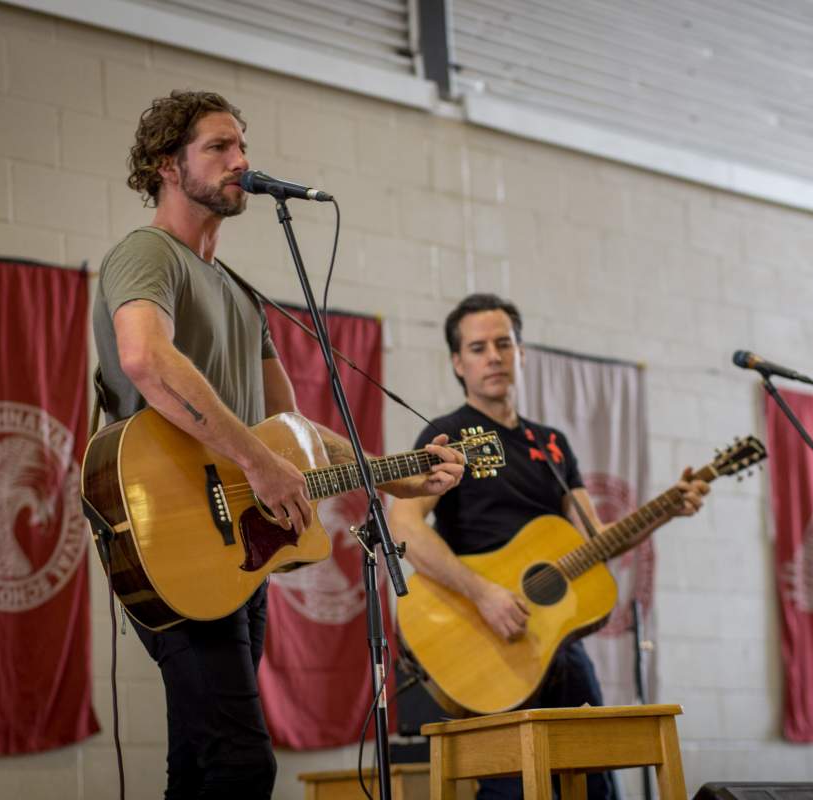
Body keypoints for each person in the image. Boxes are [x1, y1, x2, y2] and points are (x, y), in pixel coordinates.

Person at [92, 89, 466, 800]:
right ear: (167, 165)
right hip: (166, 527)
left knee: (201, 766)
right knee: (242, 765)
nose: (241, 161)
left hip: (234, 544)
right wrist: (258, 464)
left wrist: (392, 475)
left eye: (242, 147)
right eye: (218, 148)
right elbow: (146, 358)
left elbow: (290, 431)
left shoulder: (239, 292)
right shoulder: (148, 253)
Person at [389, 293, 710, 800]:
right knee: (511, 790)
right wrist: (483, 594)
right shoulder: (446, 435)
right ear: (458, 362)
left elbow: (595, 542)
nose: (493, 356)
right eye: (477, 347)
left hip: (555, 643)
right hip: (486, 638)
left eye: (503, 343)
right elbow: (403, 525)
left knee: (599, 779)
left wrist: (668, 507)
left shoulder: (553, 444)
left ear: (521, 353)